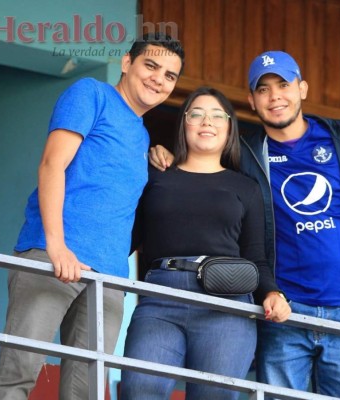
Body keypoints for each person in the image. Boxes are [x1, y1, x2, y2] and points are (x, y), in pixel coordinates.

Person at [149, 51, 340, 400]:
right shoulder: (244, 152)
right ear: (251, 100)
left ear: (302, 88)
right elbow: (207, 171)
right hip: (281, 310)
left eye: (283, 85)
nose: (275, 96)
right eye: (263, 89)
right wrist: (172, 160)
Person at [0, 32, 184, 400]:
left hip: (108, 277)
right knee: (18, 376)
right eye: (151, 66)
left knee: (86, 392)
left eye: (170, 75)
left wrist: (158, 159)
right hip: (54, 257)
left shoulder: (142, 137)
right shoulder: (91, 94)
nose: (159, 78)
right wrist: (57, 245)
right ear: (127, 63)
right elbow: (51, 165)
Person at [120, 87, 291, 400]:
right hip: (161, 297)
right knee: (138, 390)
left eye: (217, 116)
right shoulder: (156, 177)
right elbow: (128, 238)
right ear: (184, 124)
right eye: (196, 114)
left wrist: (272, 292)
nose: (206, 122)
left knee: (214, 396)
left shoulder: (246, 187)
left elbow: (256, 257)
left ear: (229, 128)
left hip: (225, 302)